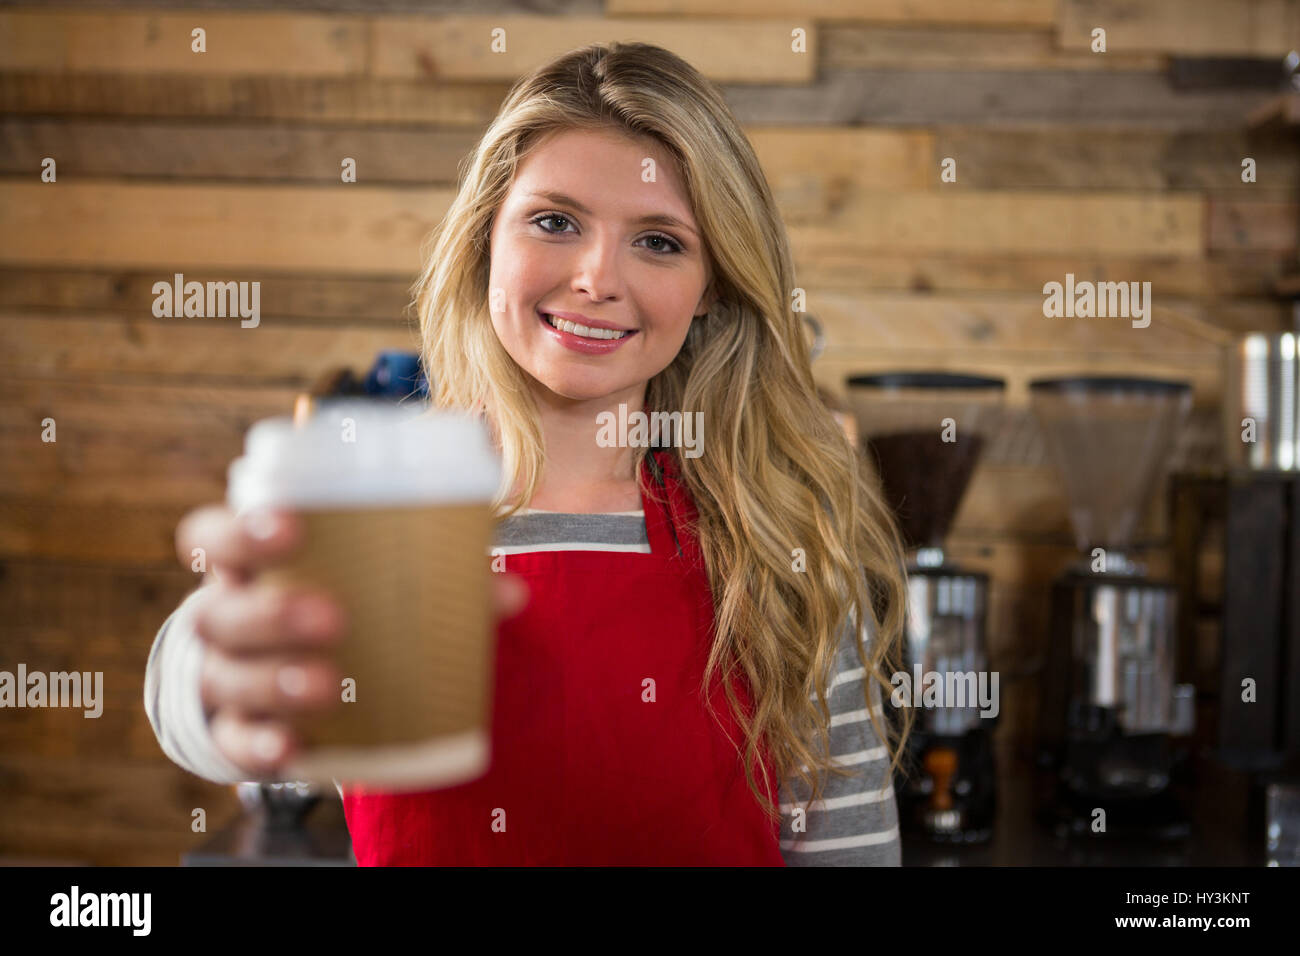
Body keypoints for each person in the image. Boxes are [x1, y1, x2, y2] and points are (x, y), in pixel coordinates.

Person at [144, 41, 913, 865]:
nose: (595, 277)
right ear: (485, 241)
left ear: (712, 287)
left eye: (658, 242)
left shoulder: (777, 537)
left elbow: (847, 851)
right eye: (555, 221)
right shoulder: (386, 510)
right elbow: (224, 711)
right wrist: (218, 672)